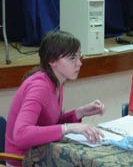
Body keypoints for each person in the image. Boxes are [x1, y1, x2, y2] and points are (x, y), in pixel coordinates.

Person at [5, 30, 105, 167]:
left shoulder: (57, 82)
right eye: (72, 58)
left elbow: (49, 125)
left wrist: (79, 113)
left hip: (42, 154)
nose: (79, 63)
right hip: (23, 160)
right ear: (52, 61)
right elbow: (21, 135)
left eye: (79, 56)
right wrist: (69, 127)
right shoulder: (39, 87)